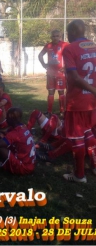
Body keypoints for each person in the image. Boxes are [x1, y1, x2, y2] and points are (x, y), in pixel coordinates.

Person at [62, 19, 96, 183]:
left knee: (76, 137)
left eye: (68, 33)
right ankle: (94, 165)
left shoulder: (69, 49)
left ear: (73, 32)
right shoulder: (94, 46)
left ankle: (79, 175)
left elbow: (74, 77)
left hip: (77, 100)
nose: (67, 37)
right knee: (88, 131)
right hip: (92, 102)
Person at [38, 30, 69, 117]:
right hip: (50, 73)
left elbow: (71, 55)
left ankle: (62, 111)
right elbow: (40, 55)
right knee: (51, 92)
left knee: (61, 92)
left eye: (57, 36)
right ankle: (49, 111)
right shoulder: (48, 45)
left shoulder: (65, 45)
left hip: (60, 73)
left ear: (60, 37)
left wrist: (66, 66)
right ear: (51, 37)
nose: (55, 38)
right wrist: (44, 64)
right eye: (53, 36)